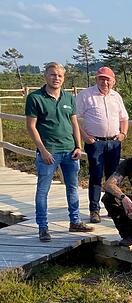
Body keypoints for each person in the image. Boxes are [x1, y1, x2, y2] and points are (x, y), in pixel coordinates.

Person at [25, 62, 94, 242]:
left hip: (70, 151)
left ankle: (75, 221)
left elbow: (74, 123)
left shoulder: (69, 98)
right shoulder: (35, 98)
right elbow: (31, 127)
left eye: (60, 76)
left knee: (73, 188)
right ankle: (43, 227)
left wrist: (78, 146)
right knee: (43, 191)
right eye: (53, 75)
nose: (56, 78)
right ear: (45, 76)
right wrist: (43, 150)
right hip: (48, 153)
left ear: (64, 78)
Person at [75, 66, 129, 223]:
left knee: (113, 178)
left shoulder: (116, 96)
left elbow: (124, 118)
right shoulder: (86, 95)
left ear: (113, 81)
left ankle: (112, 208)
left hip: (114, 142)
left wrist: (123, 134)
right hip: (95, 143)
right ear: (96, 79)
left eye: (107, 79)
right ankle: (94, 210)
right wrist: (84, 137)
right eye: (101, 78)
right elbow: (74, 118)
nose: (104, 81)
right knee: (96, 176)